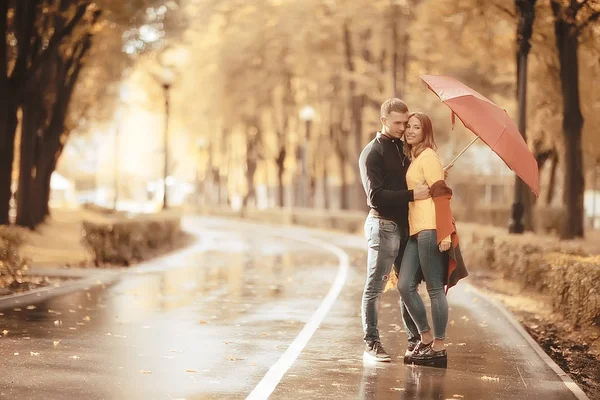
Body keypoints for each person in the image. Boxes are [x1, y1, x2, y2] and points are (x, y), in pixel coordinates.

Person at [358, 99, 430, 362]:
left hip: (406, 227)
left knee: (406, 286)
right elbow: (375, 197)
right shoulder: (372, 153)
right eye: (398, 123)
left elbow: (410, 180)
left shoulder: (403, 149)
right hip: (383, 226)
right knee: (375, 287)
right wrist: (413, 194)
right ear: (384, 120)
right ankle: (372, 343)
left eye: (406, 122)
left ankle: (414, 342)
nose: (403, 128)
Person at [397, 112, 468, 367]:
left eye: (417, 127)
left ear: (426, 132)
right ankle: (425, 336)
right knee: (404, 285)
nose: (411, 131)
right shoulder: (418, 158)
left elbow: (441, 196)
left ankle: (438, 346)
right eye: (408, 127)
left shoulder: (428, 157)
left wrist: (445, 232)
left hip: (430, 229)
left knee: (435, 289)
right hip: (417, 231)